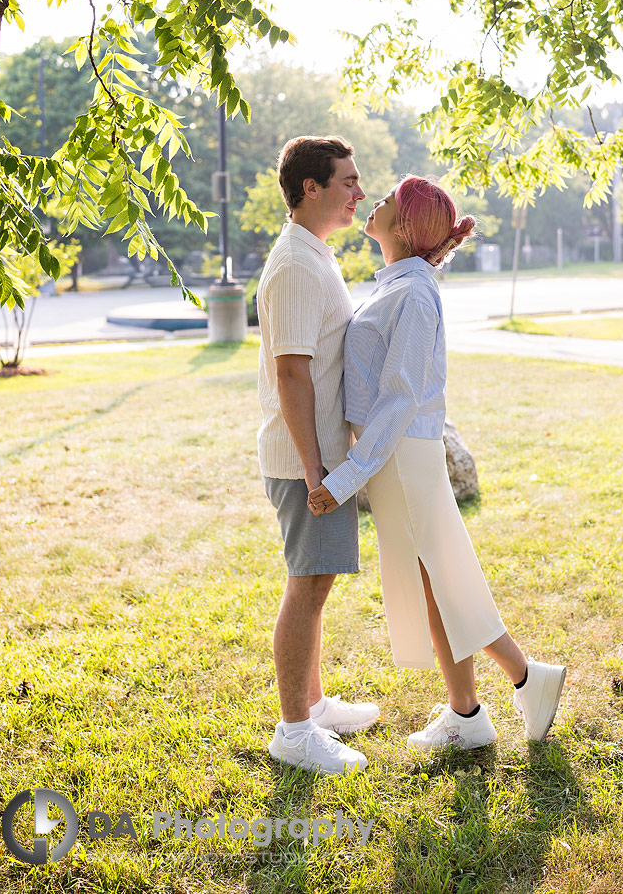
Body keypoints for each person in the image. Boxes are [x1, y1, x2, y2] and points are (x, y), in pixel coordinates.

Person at [308, 176, 566, 750]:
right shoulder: (397, 286)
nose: (373, 201)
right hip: (396, 458)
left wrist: (344, 478)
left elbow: (400, 397)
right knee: (436, 583)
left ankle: (526, 679)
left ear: (402, 226)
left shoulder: (413, 294)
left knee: (447, 579)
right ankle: (470, 714)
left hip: (405, 457)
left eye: (387, 200)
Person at [256, 136, 379, 775]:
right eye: (349, 181)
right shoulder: (298, 265)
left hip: (320, 456)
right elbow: (293, 376)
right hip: (310, 461)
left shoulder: (313, 255)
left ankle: (315, 704)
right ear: (313, 187)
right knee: (308, 587)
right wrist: (316, 471)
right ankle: (295, 732)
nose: (360, 192)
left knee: (315, 584)